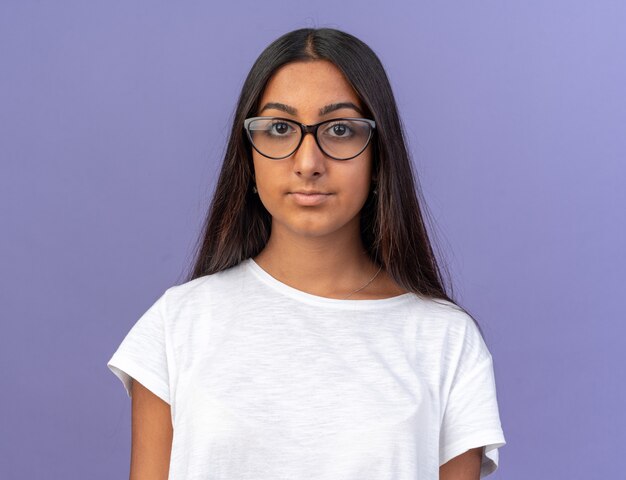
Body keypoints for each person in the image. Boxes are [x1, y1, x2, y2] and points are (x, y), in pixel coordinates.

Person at [107, 27, 506, 480]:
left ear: (379, 158)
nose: (308, 161)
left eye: (340, 129)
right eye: (279, 129)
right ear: (248, 158)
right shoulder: (176, 325)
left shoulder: (446, 342)